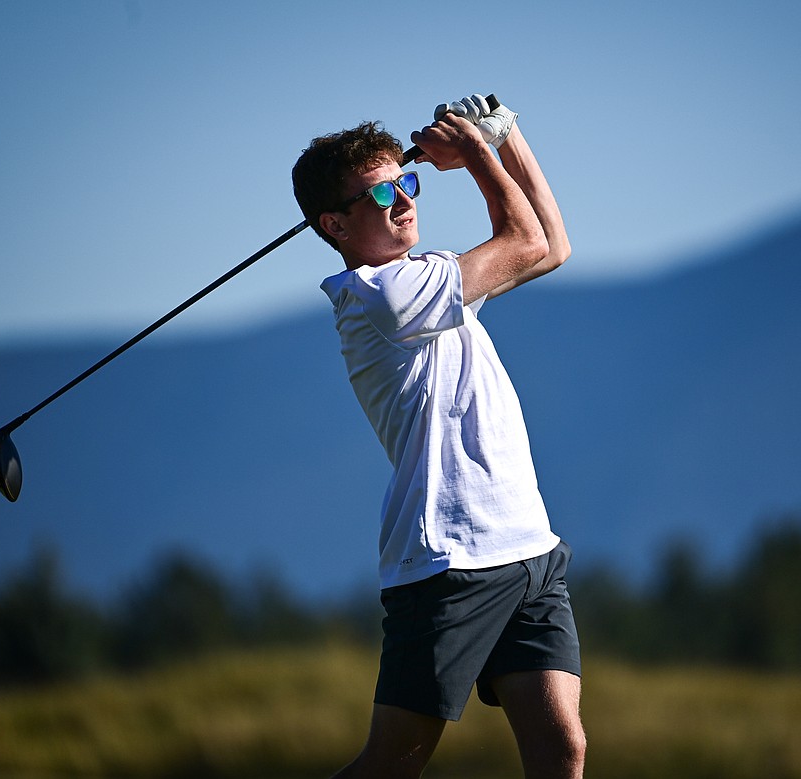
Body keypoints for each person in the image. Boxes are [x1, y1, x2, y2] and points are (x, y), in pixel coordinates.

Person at [291, 94, 584, 778]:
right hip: (448, 561)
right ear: (333, 223)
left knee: (562, 749)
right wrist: (478, 152)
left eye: (407, 181)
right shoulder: (381, 294)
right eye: (381, 192)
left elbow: (552, 246)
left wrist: (511, 139)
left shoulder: (430, 280)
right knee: (394, 762)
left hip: (530, 547)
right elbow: (526, 241)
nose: (403, 200)